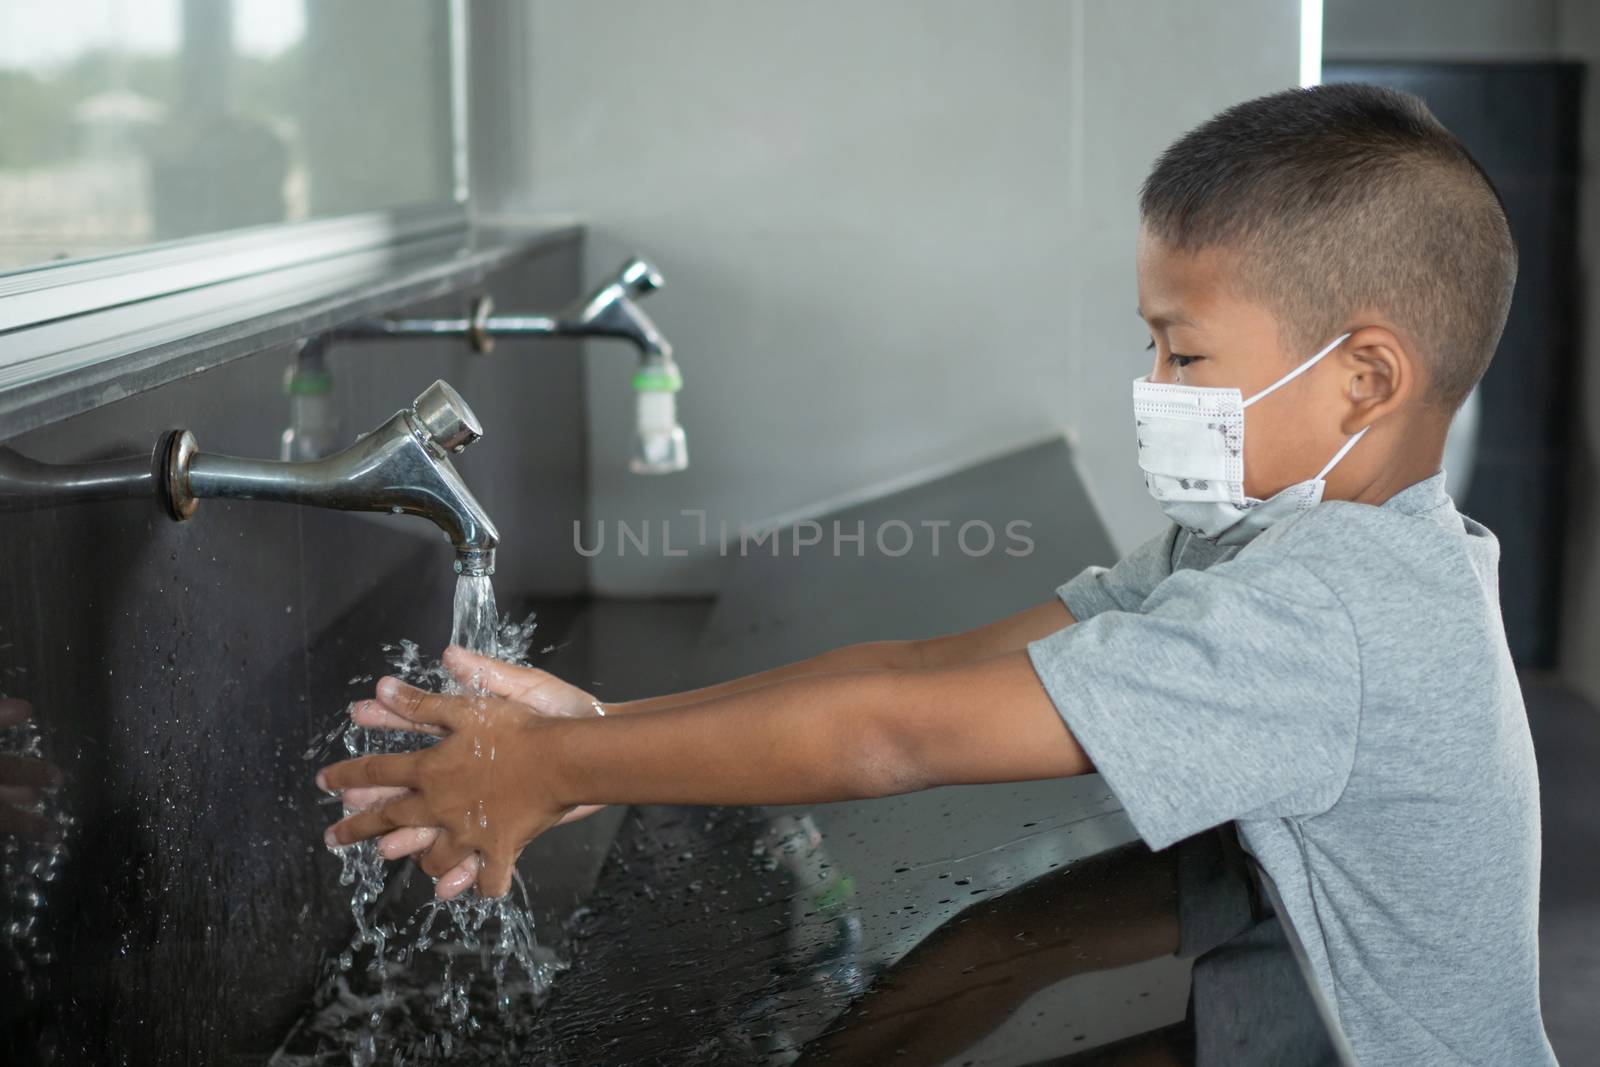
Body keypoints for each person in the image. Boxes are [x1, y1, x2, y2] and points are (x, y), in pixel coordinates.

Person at [316, 84, 1556, 1065]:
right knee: (971, 966)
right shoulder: (1276, 543)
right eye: (1152, 344)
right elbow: (931, 666)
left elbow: (897, 734)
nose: (1153, 389)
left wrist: (555, 768)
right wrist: (607, 729)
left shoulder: (1324, 614)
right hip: (1276, 1016)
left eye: (1183, 352)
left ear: (1365, 380)